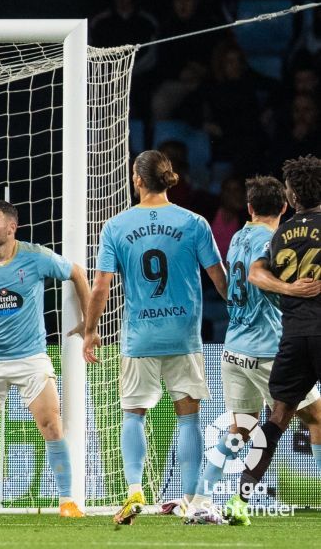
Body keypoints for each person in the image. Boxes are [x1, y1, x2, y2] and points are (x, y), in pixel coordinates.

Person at [83, 149, 228, 525]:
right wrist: (239, 309)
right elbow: (218, 277)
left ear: (137, 179)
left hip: (139, 336)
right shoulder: (194, 222)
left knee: (133, 415)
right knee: (188, 419)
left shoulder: (116, 226)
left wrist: (90, 330)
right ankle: (192, 500)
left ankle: (134, 490)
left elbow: (101, 287)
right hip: (183, 335)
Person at [186, 176, 321, 524]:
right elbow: (264, 283)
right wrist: (295, 290)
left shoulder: (238, 237)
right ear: (284, 207)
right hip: (267, 348)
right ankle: (241, 497)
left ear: (248, 208)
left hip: (234, 348)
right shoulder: (271, 239)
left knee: (241, 428)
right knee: (317, 418)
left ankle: (201, 498)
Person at [0, 200, 90, 519]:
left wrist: (87, 321)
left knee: (52, 425)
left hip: (31, 358)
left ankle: (67, 501)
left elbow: (77, 273)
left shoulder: (35, 257)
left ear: (11, 227)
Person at [227, 156, 321, 526]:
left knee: (278, 418)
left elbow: (255, 272)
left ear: (292, 195)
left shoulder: (282, 234)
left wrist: (287, 287)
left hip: (293, 337)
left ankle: (241, 498)